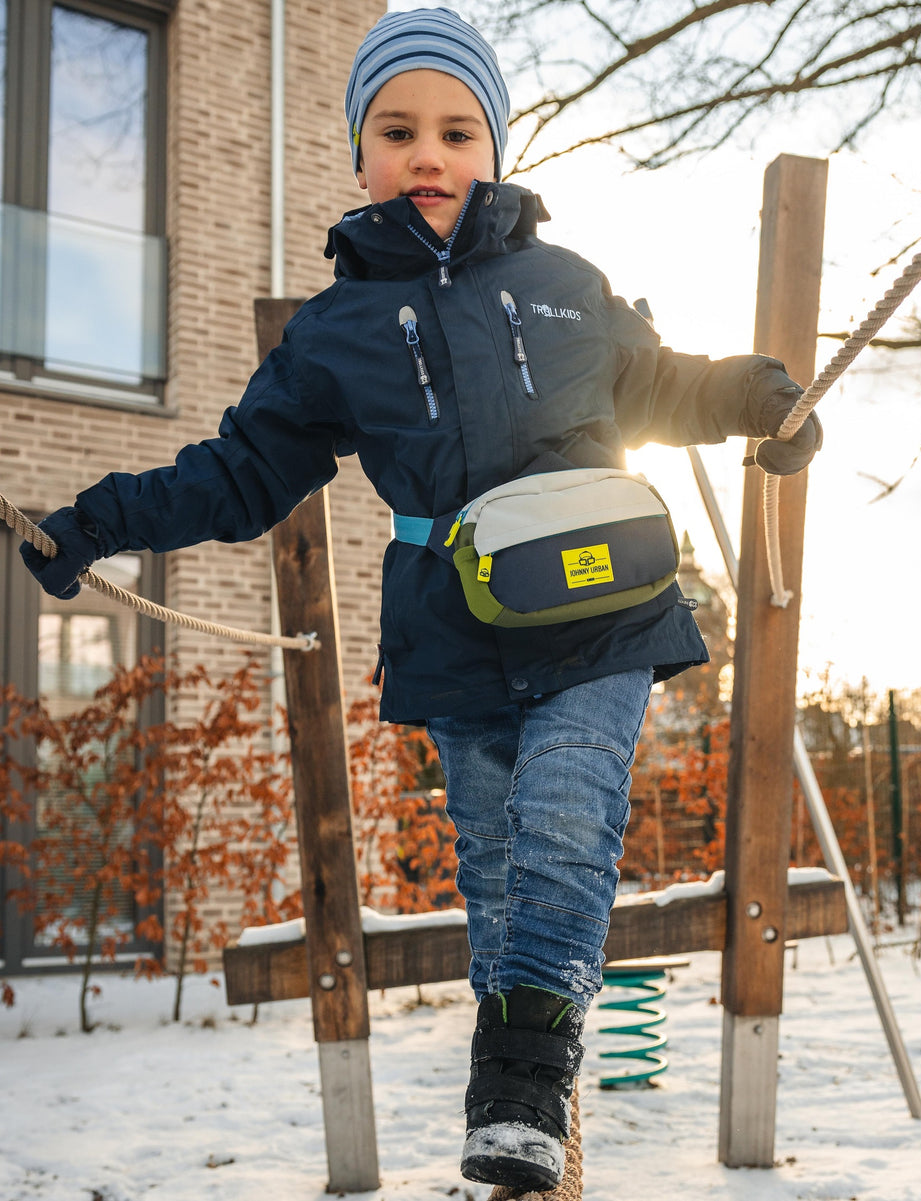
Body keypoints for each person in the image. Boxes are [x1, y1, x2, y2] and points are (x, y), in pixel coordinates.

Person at [21, 7, 821, 1192]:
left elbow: (662, 383)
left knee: (565, 812)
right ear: (361, 156)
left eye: (457, 130)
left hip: (600, 611)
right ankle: (528, 1132)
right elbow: (239, 474)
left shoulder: (565, 283)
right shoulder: (334, 334)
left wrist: (761, 397)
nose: (428, 155)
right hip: (456, 628)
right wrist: (96, 524)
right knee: (495, 863)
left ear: (494, 149)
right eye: (397, 131)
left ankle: (522, 1083)